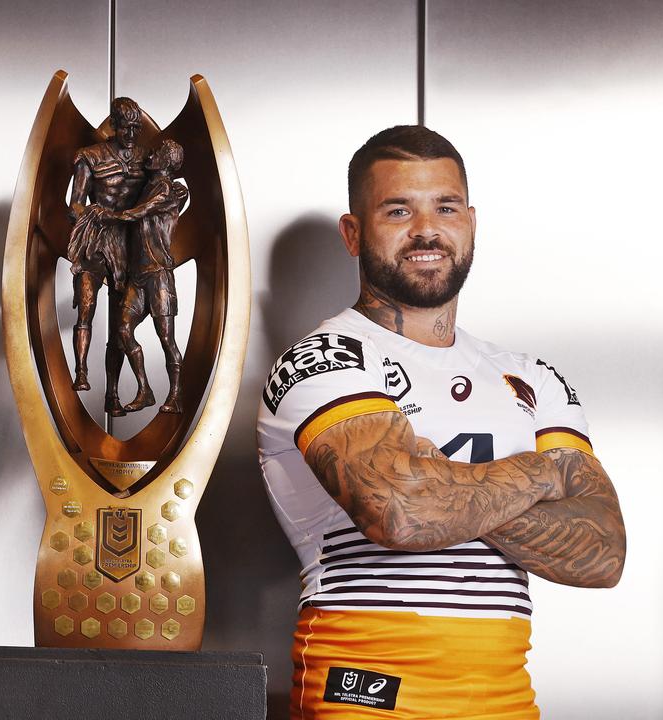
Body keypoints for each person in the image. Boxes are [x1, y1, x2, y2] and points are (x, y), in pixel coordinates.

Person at [257, 125, 625, 719]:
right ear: (353, 234)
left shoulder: (532, 378)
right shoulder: (322, 359)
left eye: (445, 207)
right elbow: (399, 512)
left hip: (507, 698)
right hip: (368, 691)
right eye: (398, 210)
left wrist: (441, 481)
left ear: (471, 223)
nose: (426, 229)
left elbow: (604, 552)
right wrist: (542, 472)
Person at [66, 97, 149, 414]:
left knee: (120, 327)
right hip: (96, 240)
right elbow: (75, 202)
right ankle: (81, 371)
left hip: (129, 247)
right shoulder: (91, 156)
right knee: (85, 306)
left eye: (135, 128)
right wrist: (89, 215)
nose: (130, 133)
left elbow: (163, 187)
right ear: (113, 125)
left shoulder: (147, 158)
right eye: (125, 127)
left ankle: (112, 395)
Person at [114, 138, 189, 414]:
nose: (151, 154)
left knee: (166, 338)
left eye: (157, 153)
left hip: (159, 275)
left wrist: (109, 215)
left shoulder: (170, 190)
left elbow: (139, 212)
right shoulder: (147, 186)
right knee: (123, 329)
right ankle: (145, 390)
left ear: (166, 161)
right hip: (138, 276)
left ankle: (175, 395)